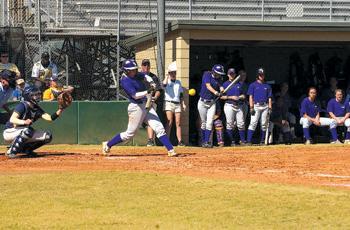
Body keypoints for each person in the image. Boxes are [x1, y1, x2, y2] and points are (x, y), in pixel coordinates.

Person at [102, 59, 177, 157]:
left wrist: (151, 82)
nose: (134, 71)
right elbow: (135, 95)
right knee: (129, 134)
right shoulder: (125, 81)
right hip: (136, 107)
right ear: (126, 71)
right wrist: (148, 91)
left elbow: (146, 75)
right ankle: (107, 145)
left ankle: (170, 149)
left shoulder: (136, 74)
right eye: (131, 70)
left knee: (158, 127)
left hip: (146, 104)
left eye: (134, 69)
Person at [3, 85, 65, 158]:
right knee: (28, 131)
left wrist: (61, 109)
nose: (38, 96)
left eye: (38, 94)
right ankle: (11, 151)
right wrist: (24, 122)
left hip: (23, 132)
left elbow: (50, 118)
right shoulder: (22, 105)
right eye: (34, 95)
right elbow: (12, 119)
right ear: (28, 96)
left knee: (47, 136)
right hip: (9, 132)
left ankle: (26, 150)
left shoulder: (36, 108)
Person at [197, 64, 225, 148]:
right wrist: (216, 92)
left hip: (212, 103)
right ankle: (203, 141)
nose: (219, 75)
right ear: (214, 72)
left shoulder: (219, 78)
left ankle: (206, 142)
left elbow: (220, 85)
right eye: (218, 73)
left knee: (209, 123)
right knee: (203, 123)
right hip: (202, 102)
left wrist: (221, 89)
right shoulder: (207, 74)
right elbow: (208, 86)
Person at [246, 68, 273, 145]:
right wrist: (251, 107)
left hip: (265, 106)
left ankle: (262, 140)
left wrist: (270, 107)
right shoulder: (253, 85)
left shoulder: (267, 86)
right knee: (253, 123)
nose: (261, 76)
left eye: (263, 75)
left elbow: (269, 98)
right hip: (256, 105)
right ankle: (248, 141)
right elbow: (250, 97)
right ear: (257, 75)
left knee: (264, 124)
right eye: (260, 75)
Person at [163, 61, 186, 146]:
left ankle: (180, 141)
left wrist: (183, 103)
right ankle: (166, 141)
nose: (173, 74)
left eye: (174, 73)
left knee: (178, 123)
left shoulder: (178, 82)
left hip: (177, 104)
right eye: (171, 73)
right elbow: (164, 85)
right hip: (169, 103)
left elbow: (181, 94)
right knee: (169, 122)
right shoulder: (167, 81)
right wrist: (166, 76)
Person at [221, 68, 246, 146]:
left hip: (239, 105)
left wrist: (239, 97)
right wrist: (231, 97)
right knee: (230, 123)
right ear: (228, 75)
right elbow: (221, 97)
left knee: (241, 123)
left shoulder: (239, 84)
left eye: (233, 74)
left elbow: (244, 95)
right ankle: (231, 141)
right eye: (230, 74)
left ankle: (242, 141)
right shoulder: (225, 84)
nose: (232, 75)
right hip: (229, 105)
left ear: (235, 75)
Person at [140, 59, 162, 147]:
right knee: (139, 122)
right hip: (140, 102)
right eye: (144, 65)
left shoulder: (153, 77)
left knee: (151, 120)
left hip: (150, 101)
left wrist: (155, 97)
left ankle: (150, 140)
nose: (146, 67)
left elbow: (158, 90)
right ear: (141, 66)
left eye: (147, 65)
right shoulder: (138, 76)